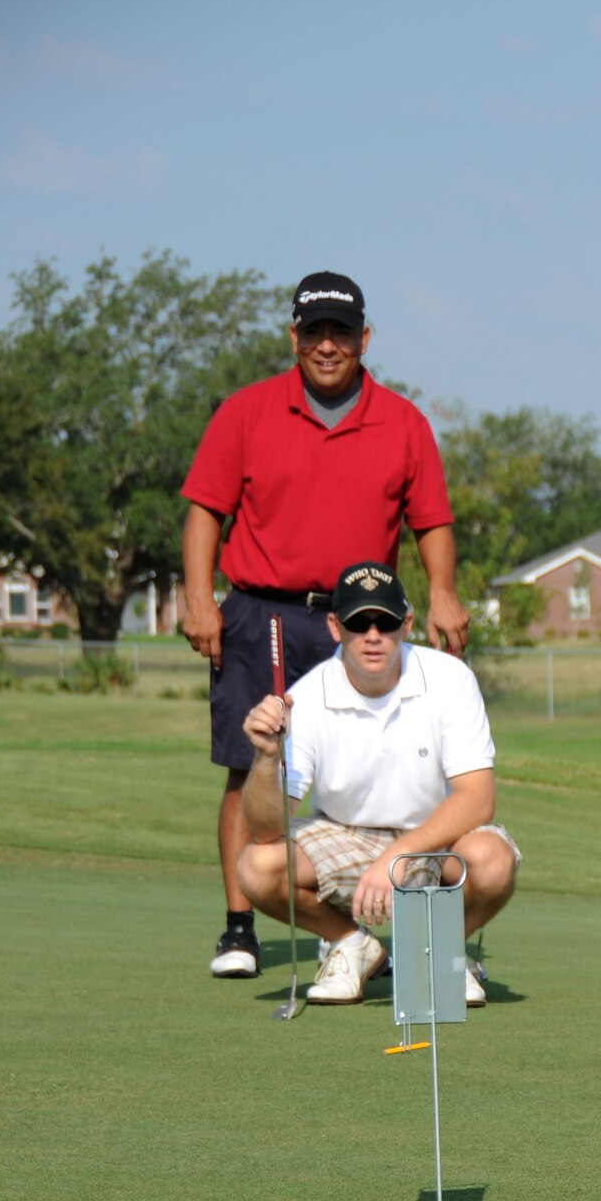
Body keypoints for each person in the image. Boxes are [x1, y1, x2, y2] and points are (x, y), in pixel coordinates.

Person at [182, 272, 470, 979]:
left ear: (363, 339)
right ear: (294, 339)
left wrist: (442, 591)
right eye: (314, 333)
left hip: (360, 620)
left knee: (383, 766)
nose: (328, 346)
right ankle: (239, 928)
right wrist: (197, 597)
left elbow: (430, 518)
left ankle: (360, 924)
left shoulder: (402, 421)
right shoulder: (246, 412)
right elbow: (203, 511)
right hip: (261, 612)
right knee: (252, 764)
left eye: (341, 333)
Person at [237, 563, 517, 1006]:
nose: (372, 635)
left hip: (433, 840)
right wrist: (266, 759)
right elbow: (265, 830)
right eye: (357, 622)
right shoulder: (305, 698)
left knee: (493, 860)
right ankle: (351, 944)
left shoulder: (450, 679)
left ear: (406, 624)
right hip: (345, 837)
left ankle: (438, 953)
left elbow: (478, 797)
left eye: (385, 622)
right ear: (335, 627)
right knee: (256, 865)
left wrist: (396, 856)